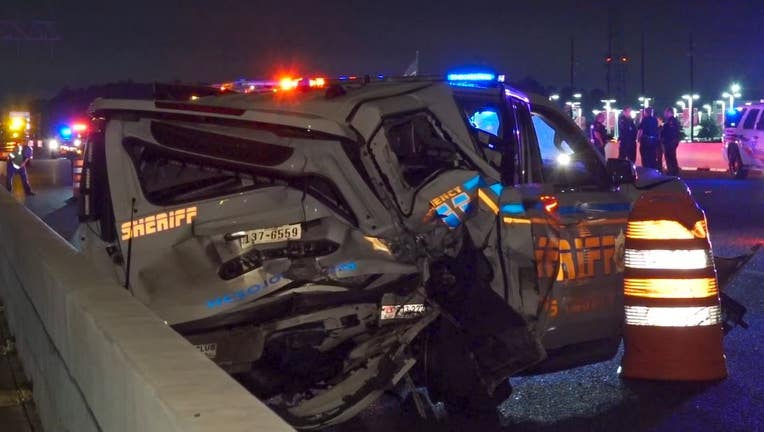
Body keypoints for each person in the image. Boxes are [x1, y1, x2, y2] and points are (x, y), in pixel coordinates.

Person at [660, 107, 682, 176]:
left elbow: (670, 132)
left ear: (669, 112)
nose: (664, 114)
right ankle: (673, 171)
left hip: (670, 142)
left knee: (670, 157)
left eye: (666, 112)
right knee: (671, 157)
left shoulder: (671, 121)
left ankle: (672, 171)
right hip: (671, 142)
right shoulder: (672, 121)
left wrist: (664, 139)